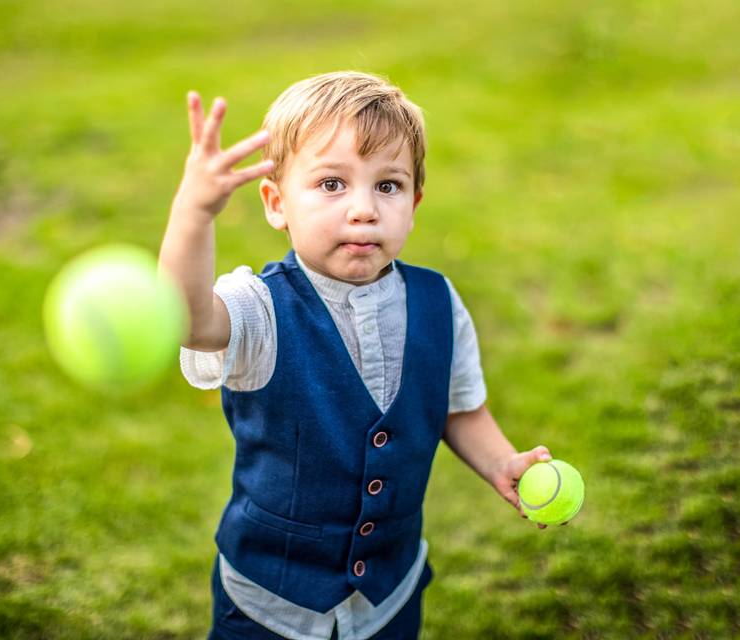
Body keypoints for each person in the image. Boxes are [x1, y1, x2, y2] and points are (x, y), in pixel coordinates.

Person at [159, 70, 561, 640]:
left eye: (388, 186)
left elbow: (458, 408)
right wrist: (193, 213)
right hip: (269, 607)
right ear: (276, 202)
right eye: (331, 184)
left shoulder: (437, 302)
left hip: (388, 601)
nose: (364, 209)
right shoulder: (260, 310)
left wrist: (500, 463)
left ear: (415, 203)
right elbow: (186, 320)